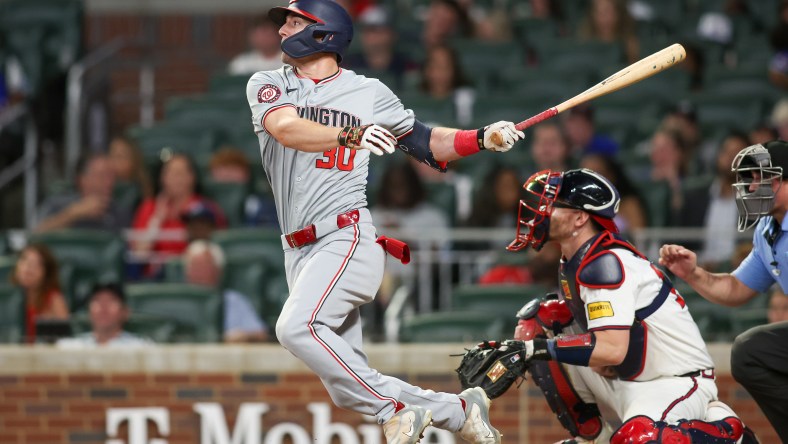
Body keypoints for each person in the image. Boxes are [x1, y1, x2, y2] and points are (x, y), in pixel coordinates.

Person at [246, 0, 524, 442]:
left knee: (295, 328)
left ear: (323, 33)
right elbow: (285, 128)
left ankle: (394, 409)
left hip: (345, 236)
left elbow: (426, 142)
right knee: (344, 384)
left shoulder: (368, 92)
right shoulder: (269, 82)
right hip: (298, 250)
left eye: (293, 22)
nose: (281, 30)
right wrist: (350, 133)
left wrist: (481, 138)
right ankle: (456, 409)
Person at [504, 168, 754, 443]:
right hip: (628, 377)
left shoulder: (606, 262)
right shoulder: (575, 259)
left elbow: (611, 350)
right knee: (538, 322)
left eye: (552, 205)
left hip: (675, 381)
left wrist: (537, 349)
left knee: (638, 438)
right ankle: (594, 439)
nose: (540, 210)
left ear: (579, 217)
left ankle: (728, 433)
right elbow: (603, 345)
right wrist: (528, 347)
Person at [659, 140, 788, 441]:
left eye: (763, 177)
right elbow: (735, 288)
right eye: (752, 179)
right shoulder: (768, 231)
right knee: (750, 351)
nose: (753, 187)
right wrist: (693, 273)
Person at [130, 153, 226, 264]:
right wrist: (157, 220)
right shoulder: (149, 208)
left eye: (180, 173)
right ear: (162, 178)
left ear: (192, 177)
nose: (175, 179)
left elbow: (213, 252)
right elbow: (139, 254)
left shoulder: (205, 209)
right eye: (170, 173)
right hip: (154, 274)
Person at [678, 133, 749, 266]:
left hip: (739, 273)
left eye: (738, 154)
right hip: (698, 269)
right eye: (726, 152)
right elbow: (681, 240)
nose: (731, 158)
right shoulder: (695, 199)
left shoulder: (758, 202)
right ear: (718, 156)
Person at [183, 240, 268, 343]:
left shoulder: (233, 300)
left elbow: (261, 334)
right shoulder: (178, 301)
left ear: (218, 270)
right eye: (194, 267)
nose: (198, 273)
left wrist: (241, 336)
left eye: (204, 267)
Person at [35, 154, 132, 233]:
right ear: (82, 179)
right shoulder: (57, 204)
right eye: (102, 176)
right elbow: (36, 234)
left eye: (112, 176)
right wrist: (73, 214)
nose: (109, 182)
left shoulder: (120, 211)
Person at [56, 283, 151, 348]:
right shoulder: (70, 347)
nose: (103, 307)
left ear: (125, 312)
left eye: (111, 301)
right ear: (88, 312)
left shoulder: (141, 347)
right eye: (97, 301)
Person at [10, 244, 69, 344]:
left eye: (36, 264)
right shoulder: (5, 295)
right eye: (24, 260)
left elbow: (66, 339)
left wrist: (50, 328)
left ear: (46, 272)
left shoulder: (53, 299)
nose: (28, 268)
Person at [209, 147, 278, 227]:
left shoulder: (261, 206)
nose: (227, 174)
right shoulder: (203, 205)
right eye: (222, 168)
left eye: (233, 168)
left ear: (247, 174)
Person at [579, 153, 647, 233]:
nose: (591, 181)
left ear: (611, 176)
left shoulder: (629, 204)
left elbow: (639, 237)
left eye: (598, 174)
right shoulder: (576, 207)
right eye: (585, 176)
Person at [108, 136, 154, 200]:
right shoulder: (106, 189)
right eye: (111, 155)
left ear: (134, 161)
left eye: (119, 157)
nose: (112, 161)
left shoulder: (137, 194)